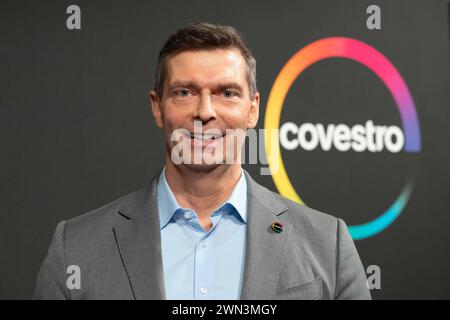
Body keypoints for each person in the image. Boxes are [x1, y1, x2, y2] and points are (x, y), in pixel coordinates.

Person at [33, 22, 371, 300]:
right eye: (184, 92)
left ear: (252, 109)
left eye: (227, 93)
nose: (205, 112)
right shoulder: (76, 247)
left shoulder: (328, 244)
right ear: (157, 106)